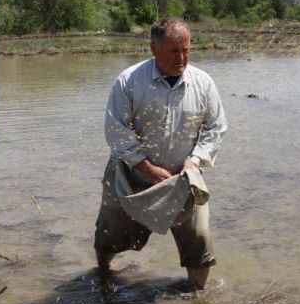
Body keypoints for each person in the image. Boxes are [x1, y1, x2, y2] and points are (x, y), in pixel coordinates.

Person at [94, 18, 227, 290]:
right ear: (153, 48)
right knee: (110, 236)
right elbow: (116, 130)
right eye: (173, 51)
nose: (181, 58)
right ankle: (104, 280)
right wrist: (146, 167)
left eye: (186, 50)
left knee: (199, 244)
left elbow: (216, 127)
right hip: (132, 176)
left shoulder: (202, 83)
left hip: (183, 177)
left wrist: (195, 160)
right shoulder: (129, 81)